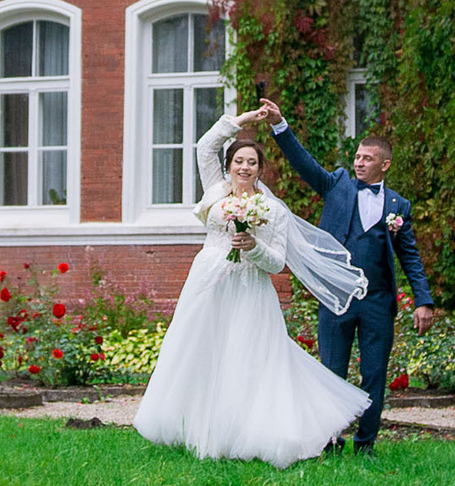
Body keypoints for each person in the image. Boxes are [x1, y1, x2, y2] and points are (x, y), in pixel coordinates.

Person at [132, 103, 373, 467]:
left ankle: (250, 433)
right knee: (202, 353)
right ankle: (200, 430)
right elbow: (203, 147)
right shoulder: (215, 189)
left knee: (247, 358)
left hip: (249, 287)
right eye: (238, 161)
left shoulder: (271, 209)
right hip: (208, 283)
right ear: (228, 166)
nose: (244, 168)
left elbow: (277, 261)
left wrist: (253, 247)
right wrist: (242, 122)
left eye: (252, 163)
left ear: (260, 170)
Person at [264, 101, 436, 453]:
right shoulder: (337, 185)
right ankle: (328, 441)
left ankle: (366, 444)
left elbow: (410, 257)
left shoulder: (398, 207)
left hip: (378, 301)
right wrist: (280, 125)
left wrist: (424, 301)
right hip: (336, 297)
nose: (358, 162)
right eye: (357, 156)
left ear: (384, 165)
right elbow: (303, 163)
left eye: (367, 158)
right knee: (331, 373)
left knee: (374, 374)